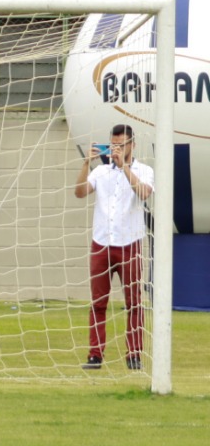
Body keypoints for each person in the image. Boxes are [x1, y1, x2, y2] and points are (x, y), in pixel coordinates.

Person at [74, 123, 154, 371]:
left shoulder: (144, 170)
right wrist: (86, 163)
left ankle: (134, 355)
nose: (116, 149)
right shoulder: (100, 172)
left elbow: (143, 193)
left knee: (134, 302)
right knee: (98, 302)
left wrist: (125, 167)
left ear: (133, 145)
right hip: (101, 244)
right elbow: (79, 193)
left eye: (121, 145)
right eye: (113, 144)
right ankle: (95, 354)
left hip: (129, 244)